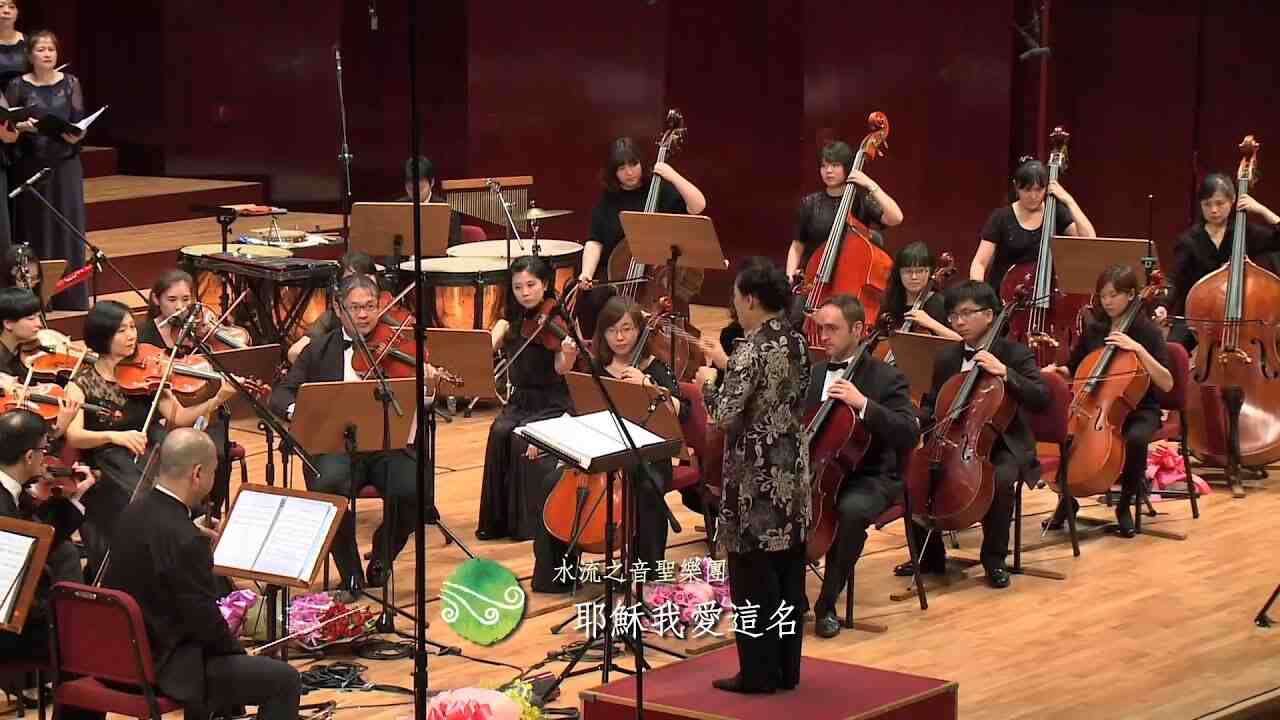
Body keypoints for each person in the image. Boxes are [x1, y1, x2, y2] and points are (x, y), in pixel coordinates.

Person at [101, 428, 301, 720]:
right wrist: (238, 653)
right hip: (168, 666)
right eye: (214, 472)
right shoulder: (185, 538)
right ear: (197, 474)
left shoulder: (133, 512)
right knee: (284, 679)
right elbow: (205, 624)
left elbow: (162, 551)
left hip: (122, 655)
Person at [268, 274, 432, 594]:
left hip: (386, 445)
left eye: (370, 306)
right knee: (328, 485)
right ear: (338, 308)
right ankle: (351, 572)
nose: (364, 315)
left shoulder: (399, 345)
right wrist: (302, 412)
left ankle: (383, 555)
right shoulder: (318, 350)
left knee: (415, 488)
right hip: (335, 446)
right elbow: (281, 394)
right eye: (355, 307)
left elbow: (418, 401)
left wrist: (427, 389)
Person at [695, 258, 809, 694]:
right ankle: (786, 670)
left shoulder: (751, 349)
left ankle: (758, 674)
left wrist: (708, 383)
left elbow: (724, 415)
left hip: (754, 481)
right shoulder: (797, 341)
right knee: (788, 576)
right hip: (791, 472)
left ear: (750, 300)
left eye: (735, 297)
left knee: (753, 581)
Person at [64, 301, 238, 577]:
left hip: (152, 450)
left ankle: (185, 562)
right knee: (142, 500)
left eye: (132, 327)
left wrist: (215, 399)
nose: (131, 335)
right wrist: (115, 436)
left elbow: (178, 416)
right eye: (122, 330)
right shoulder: (81, 384)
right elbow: (75, 436)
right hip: (109, 462)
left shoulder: (148, 371)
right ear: (102, 335)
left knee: (184, 484)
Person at [530, 296, 686, 593]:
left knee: (647, 488)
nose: (620, 337)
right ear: (602, 333)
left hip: (646, 457)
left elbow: (683, 412)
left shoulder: (655, 368)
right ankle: (555, 575)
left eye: (627, 329)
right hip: (601, 453)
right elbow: (576, 410)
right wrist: (547, 440)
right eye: (612, 330)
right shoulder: (595, 368)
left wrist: (648, 386)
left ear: (639, 331)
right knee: (551, 481)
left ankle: (646, 574)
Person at [903, 280, 1049, 588]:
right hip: (952, 438)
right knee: (914, 472)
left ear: (990, 315)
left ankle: (993, 558)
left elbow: (1040, 398)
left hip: (1004, 441)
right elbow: (932, 403)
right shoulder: (946, 358)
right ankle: (929, 556)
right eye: (954, 315)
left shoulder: (1015, 354)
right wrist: (915, 420)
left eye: (967, 313)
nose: (959, 321)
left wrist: (1005, 372)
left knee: (1000, 480)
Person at [804, 294, 918, 638]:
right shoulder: (815, 373)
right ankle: (791, 596)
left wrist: (864, 404)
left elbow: (908, 432)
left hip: (871, 475)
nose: (823, 336)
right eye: (821, 328)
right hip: (820, 471)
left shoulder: (886, 378)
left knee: (851, 511)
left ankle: (827, 603)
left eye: (832, 329)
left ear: (857, 329)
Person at [1045, 265, 1172, 536]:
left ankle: (1125, 505)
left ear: (1131, 295)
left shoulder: (1147, 332)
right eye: (1103, 296)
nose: (1107, 302)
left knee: (1135, 438)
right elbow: (1073, 367)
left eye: (1114, 295)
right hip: (1092, 405)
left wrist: (1138, 349)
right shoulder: (1096, 329)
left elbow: (1167, 382)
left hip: (1138, 408)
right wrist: (1056, 372)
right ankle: (1066, 500)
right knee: (1063, 434)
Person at [478, 255, 577, 541]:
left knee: (520, 439)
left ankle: (526, 526)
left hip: (552, 401)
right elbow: (484, 351)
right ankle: (496, 523)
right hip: (520, 400)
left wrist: (568, 353)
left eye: (531, 285)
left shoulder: (556, 319)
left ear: (545, 284)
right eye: (518, 287)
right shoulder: (511, 318)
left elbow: (561, 369)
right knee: (499, 432)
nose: (525, 292)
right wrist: (495, 333)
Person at [575, 136, 707, 336]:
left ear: (641, 163)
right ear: (613, 172)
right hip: (616, 273)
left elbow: (698, 206)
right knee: (590, 299)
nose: (629, 172)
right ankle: (597, 348)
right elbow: (595, 240)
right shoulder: (608, 200)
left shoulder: (660, 188)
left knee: (672, 304)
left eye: (633, 164)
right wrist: (586, 273)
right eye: (621, 168)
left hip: (656, 273)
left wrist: (672, 175)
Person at [0, 409, 93, 664]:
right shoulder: (5, 506)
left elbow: (40, 539)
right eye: (43, 449)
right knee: (82, 640)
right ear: (29, 457)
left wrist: (75, 498)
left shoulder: (12, 493)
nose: (46, 457)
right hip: (11, 630)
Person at [5, 31, 89, 310]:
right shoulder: (18, 85)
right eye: (41, 49)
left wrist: (77, 134)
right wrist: (22, 127)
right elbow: (9, 124)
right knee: (36, 227)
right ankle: (39, 297)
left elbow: (78, 120)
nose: (47, 54)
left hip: (65, 164)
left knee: (67, 224)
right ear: (30, 55)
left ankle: (70, 295)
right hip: (31, 164)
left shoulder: (71, 82)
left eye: (51, 49)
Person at [1165, 172, 1280, 349]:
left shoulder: (1246, 233)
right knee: (1171, 351)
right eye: (1207, 204)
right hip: (1197, 315)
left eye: (1220, 203)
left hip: (1239, 316)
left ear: (1233, 200)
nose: (1214, 210)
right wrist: (1163, 306)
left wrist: (1262, 210)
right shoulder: (1189, 241)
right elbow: (1175, 280)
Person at [785, 140, 904, 286]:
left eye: (835, 165)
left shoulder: (861, 200)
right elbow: (797, 244)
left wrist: (870, 184)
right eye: (824, 166)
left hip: (851, 281)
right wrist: (790, 275)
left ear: (847, 167)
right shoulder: (810, 203)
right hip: (814, 282)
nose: (828, 171)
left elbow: (896, 218)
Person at [969, 156, 1096, 291]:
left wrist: (1069, 200)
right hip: (1003, 295)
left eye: (1039, 189)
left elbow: (1089, 239)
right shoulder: (1001, 217)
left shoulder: (1055, 211)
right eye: (1027, 190)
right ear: (1016, 186)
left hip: (1045, 294)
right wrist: (978, 295)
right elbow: (979, 263)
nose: (1033, 196)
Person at [286, 250, 380, 364]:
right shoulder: (333, 316)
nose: (359, 286)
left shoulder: (387, 310)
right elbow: (294, 352)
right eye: (351, 281)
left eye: (367, 280)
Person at [139, 269, 251, 352]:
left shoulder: (200, 327)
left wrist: (211, 334)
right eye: (172, 299)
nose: (179, 306)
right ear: (156, 299)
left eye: (186, 299)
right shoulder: (143, 336)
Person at [882, 241, 960, 341]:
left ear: (929, 272)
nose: (914, 277)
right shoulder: (891, 302)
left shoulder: (940, 304)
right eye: (908, 271)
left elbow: (962, 343)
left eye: (920, 271)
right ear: (899, 273)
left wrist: (930, 323)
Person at [400, 155, 462, 248]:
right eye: (410, 189)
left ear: (432, 182)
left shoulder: (448, 210)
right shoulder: (398, 207)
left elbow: (453, 247)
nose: (415, 194)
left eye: (420, 189)